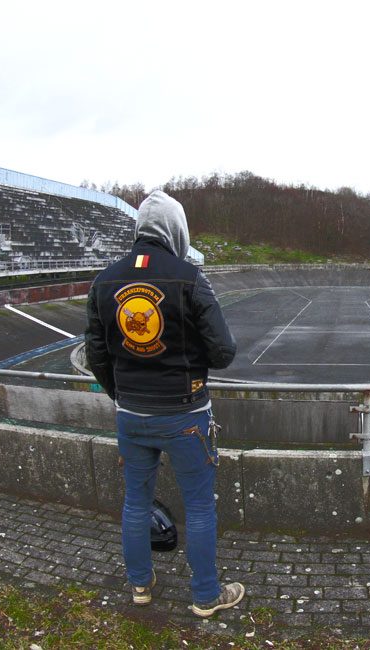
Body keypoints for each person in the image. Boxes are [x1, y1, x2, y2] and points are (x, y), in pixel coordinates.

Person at [84, 190, 243, 617]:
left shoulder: (103, 282)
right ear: (176, 230)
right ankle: (205, 596)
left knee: (136, 502)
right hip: (186, 413)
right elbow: (224, 351)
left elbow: (97, 356)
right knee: (198, 506)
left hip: (132, 416)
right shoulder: (189, 278)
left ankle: (140, 585)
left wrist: (123, 396)